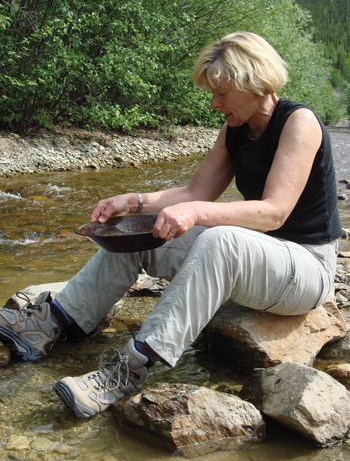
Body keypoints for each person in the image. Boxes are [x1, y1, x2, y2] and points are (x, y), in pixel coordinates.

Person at [0, 32, 342, 419]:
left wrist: (197, 214)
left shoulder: (300, 123)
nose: (214, 104)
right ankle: (56, 321)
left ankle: (128, 368)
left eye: (222, 93)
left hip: (305, 267)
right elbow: (195, 190)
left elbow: (273, 213)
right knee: (145, 230)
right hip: (255, 260)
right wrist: (134, 201)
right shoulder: (235, 129)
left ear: (254, 82)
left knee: (219, 239)